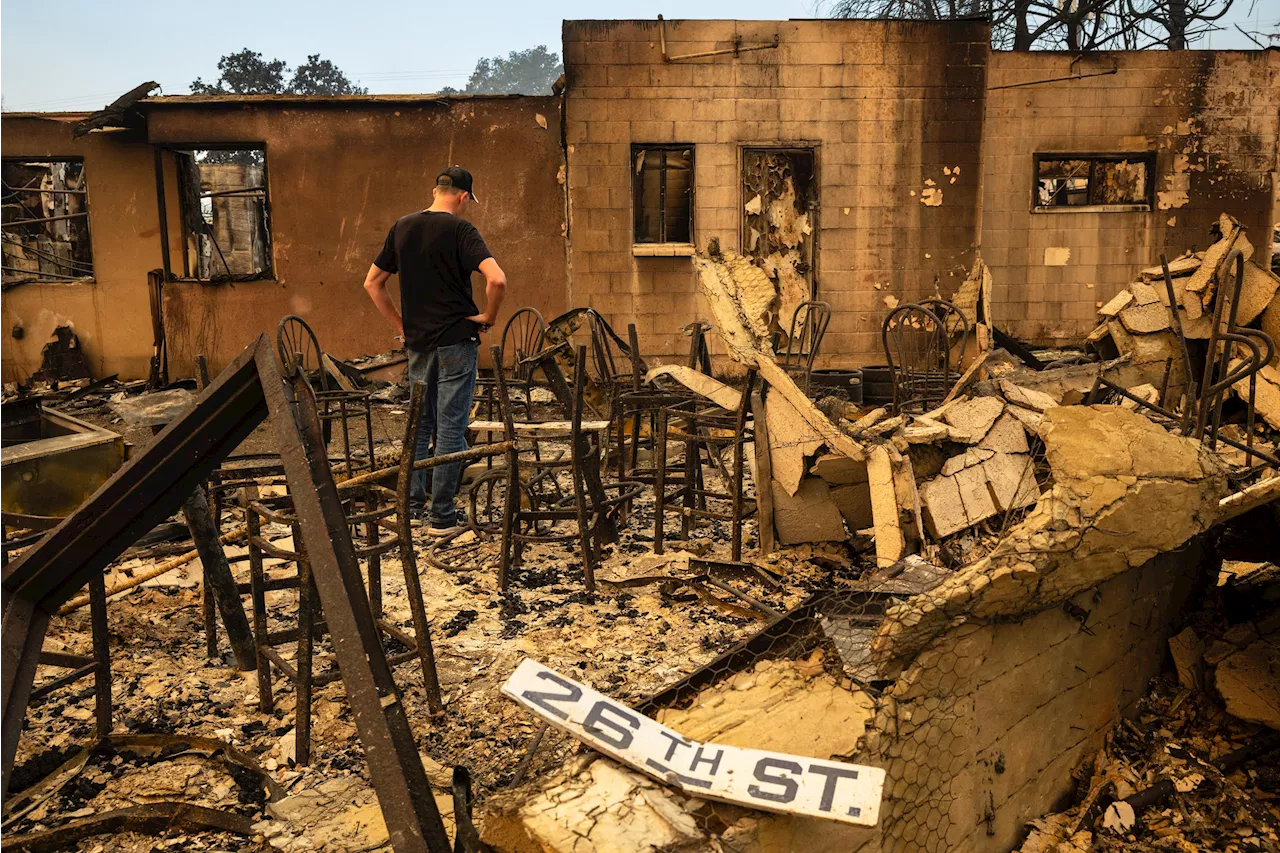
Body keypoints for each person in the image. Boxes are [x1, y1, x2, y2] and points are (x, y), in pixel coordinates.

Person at [362, 166, 506, 534]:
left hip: (419, 345)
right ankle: (441, 516)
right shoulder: (461, 230)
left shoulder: (402, 227)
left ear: (435, 191)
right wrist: (488, 315)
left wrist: (402, 327)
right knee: (450, 428)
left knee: (418, 424)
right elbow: (497, 278)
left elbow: (373, 283)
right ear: (461, 196)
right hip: (457, 340)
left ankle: (410, 509)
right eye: (467, 202)